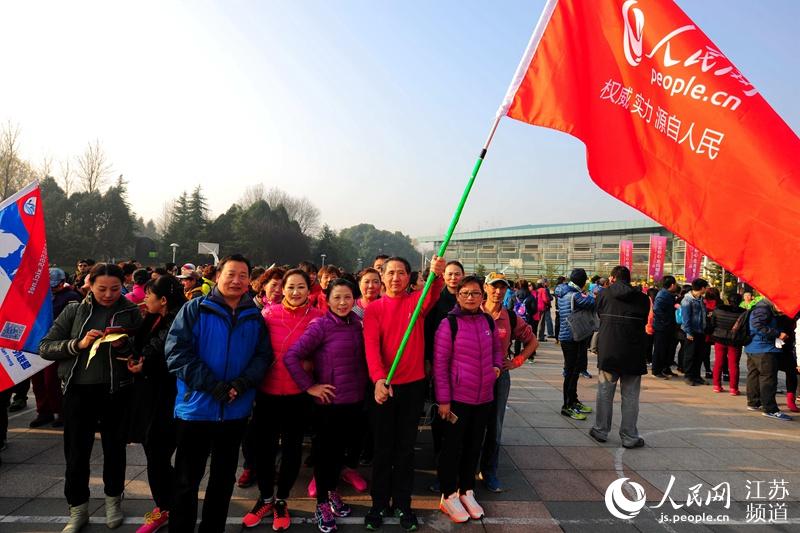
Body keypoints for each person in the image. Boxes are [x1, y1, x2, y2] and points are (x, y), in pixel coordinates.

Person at [166, 254, 272, 533]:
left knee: (223, 480)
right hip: (196, 409)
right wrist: (212, 384)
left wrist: (241, 383)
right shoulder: (195, 309)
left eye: (243, 275)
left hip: (235, 411)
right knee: (187, 479)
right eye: (231, 274)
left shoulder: (255, 317)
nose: (236, 280)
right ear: (216, 276)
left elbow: (263, 357)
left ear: (250, 280)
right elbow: (176, 353)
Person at [39, 263, 144, 533]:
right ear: (90, 285)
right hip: (78, 391)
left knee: (114, 450)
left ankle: (113, 502)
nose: (108, 294)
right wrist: (79, 344)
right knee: (76, 454)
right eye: (102, 289)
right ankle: (78, 509)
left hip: (116, 390)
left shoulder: (131, 311)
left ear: (124, 286)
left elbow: (142, 348)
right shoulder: (75, 310)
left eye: (115, 289)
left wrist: (125, 345)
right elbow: (46, 347)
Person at [363, 255, 445, 531]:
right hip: (384, 387)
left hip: (413, 387)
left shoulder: (416, 303)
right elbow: (371, 348)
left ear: (409, 277)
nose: (396, 278)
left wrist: (437, 272)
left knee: (405, 449)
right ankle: (378, 503)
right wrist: (377, 380)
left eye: (401, 273)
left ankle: (402, 503)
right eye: (391, 273)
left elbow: (434, 289)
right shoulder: (374, 309)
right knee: (383, 448)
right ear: (382, 276)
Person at [284, 278, 368, 533]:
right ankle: (321, 503)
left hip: (354, 402)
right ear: (327, 300)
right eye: (337, 298)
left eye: (347, 297)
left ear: (354, 299)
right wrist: (310, 387)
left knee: (340, 454)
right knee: (325, 456)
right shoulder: (320, 325)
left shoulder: (357, 324)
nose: (343, 303)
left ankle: (331, 493)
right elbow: (291, 356)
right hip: (328, 405)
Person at [242, 269, 324, 530]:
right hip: (267, 394)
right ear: (282, 289)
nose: (295, 292)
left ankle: (281, 500)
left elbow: (326, 355)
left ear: (308, 290)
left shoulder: (318, 318)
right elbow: (253, 350)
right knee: (264, 449)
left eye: (301, 287)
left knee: (292, 449)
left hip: (298, 396)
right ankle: (265, 498)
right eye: (290, 287)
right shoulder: (267, 315)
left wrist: (313, 376)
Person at [434, 276, 502, 523]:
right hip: (457, 399)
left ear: (481, 296)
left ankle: (467, 491)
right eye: (465, 293)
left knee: (474, 446)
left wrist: (496, 365)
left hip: (483, 397)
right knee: (452, 448)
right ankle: (449, 495)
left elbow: (496, 348)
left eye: (475, 293)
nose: (471, 298)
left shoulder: (487, 321)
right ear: (458, 296)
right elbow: (440, 366)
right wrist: (443, 400)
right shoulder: (448, 324)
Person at [126, 275, 187, 533]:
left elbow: (166, 355)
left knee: (158, 453)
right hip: (150, 395)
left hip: (169, 397)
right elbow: (143, 346)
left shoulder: (178, 322)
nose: (144, 298)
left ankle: (168, 505)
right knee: (155, 452)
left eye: (148, 295)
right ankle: (171, 503)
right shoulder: (152, 317)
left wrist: (145, 365)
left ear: (163, 300)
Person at [478, 272, 537, 493]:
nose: (498, 291)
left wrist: (517, 361)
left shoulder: (510, 317)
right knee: (470, 425)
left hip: (499, 378)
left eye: (502, 287)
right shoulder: (473, 309)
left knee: (495, 425)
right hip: (472, 377)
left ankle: (490, 470)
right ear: (485, 287)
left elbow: (532, 341)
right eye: (494, 286)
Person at [589, 266, 649, 448]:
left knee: (605, 392)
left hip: (609, 350)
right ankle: (630, 436)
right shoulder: (643, 298)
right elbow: (644, 321)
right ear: (629, 279)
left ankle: (600, 430)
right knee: (630, 396)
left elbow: (599, 315)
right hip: (634, 351)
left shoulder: (604, 294)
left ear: (613, 278)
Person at [423, 260, 463, 482]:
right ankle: (439, 454)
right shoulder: (437, 300)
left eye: (457, 274)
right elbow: (428, 331)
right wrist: (428, 359)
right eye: (450, 274)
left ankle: (455, 455)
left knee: (460, 412)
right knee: (440, 409)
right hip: (440, 364)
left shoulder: (468, 298)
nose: (454, 278)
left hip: (463, 367)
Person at [29, 269, 82, 429]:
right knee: (38, 381)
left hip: (57, 345)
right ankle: (43, 411)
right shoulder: (40, 295)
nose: (51, 288)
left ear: (62, 282)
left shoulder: (71, 297)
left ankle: (62, 412)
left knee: (52, 381)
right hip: (37, 343)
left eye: (54, 285)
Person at [554, 268, 595, 420]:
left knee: (575, 370)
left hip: (571, 336)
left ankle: (574, 400)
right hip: (572, 337)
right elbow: (593, 302)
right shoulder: (575, 295)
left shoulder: (564, 291)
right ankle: (567, 406)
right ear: (583, 281)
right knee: (571, 372)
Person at [744, 299, 791, 420]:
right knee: (768, 378)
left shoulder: (761, 307)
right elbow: (756, 326)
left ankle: (754, 402)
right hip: (764, 348)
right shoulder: (763, 309)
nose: (783, 308)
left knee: (754, 375)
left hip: (754, 347)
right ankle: (770, 409)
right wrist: (777, 333)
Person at [709, 292, 745, 394]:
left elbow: (712, 323)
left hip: (719, 338)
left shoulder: (718, 310)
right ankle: (733, 388)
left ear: (728, 300)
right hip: (734, 340)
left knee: (718, 362)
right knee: (733, 364)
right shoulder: (743, 313)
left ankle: (716, 385)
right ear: (740, 301)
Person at [680, 278, 710, 386]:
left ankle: (696, 376)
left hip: (700, 330)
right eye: (706, 287)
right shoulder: (687, 300)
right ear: (702, 288)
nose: (707, 289)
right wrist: (688, 332)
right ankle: (688, 376)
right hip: (691, 331)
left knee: (699, 354)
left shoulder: (700, 298)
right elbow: (686, 318)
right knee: (690, 354)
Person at [651, 276, 680, 379]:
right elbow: (657, 309)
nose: (676, 286)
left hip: (669, 326)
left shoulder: (669, 294)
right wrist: (665, 321)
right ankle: (656, 370)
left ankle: (666, 368)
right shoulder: (662, 295)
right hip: (662, 327)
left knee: (669, 349)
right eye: (675, 284)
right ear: (672, 285)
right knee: (659, 349)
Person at [776, 312, 799, 412]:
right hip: (776, 348)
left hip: (790, 350)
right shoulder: (779, 317)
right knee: (771, 375)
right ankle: (769, 399)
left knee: (792, 375)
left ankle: (791, 401)